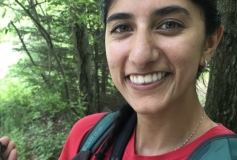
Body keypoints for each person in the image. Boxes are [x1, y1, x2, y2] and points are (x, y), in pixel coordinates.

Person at [59, 0, 235, 159]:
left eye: (169, 24)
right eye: (122, 28)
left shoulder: (226, 154)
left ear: (209, 44)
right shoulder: (87, 137)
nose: (141, 56)